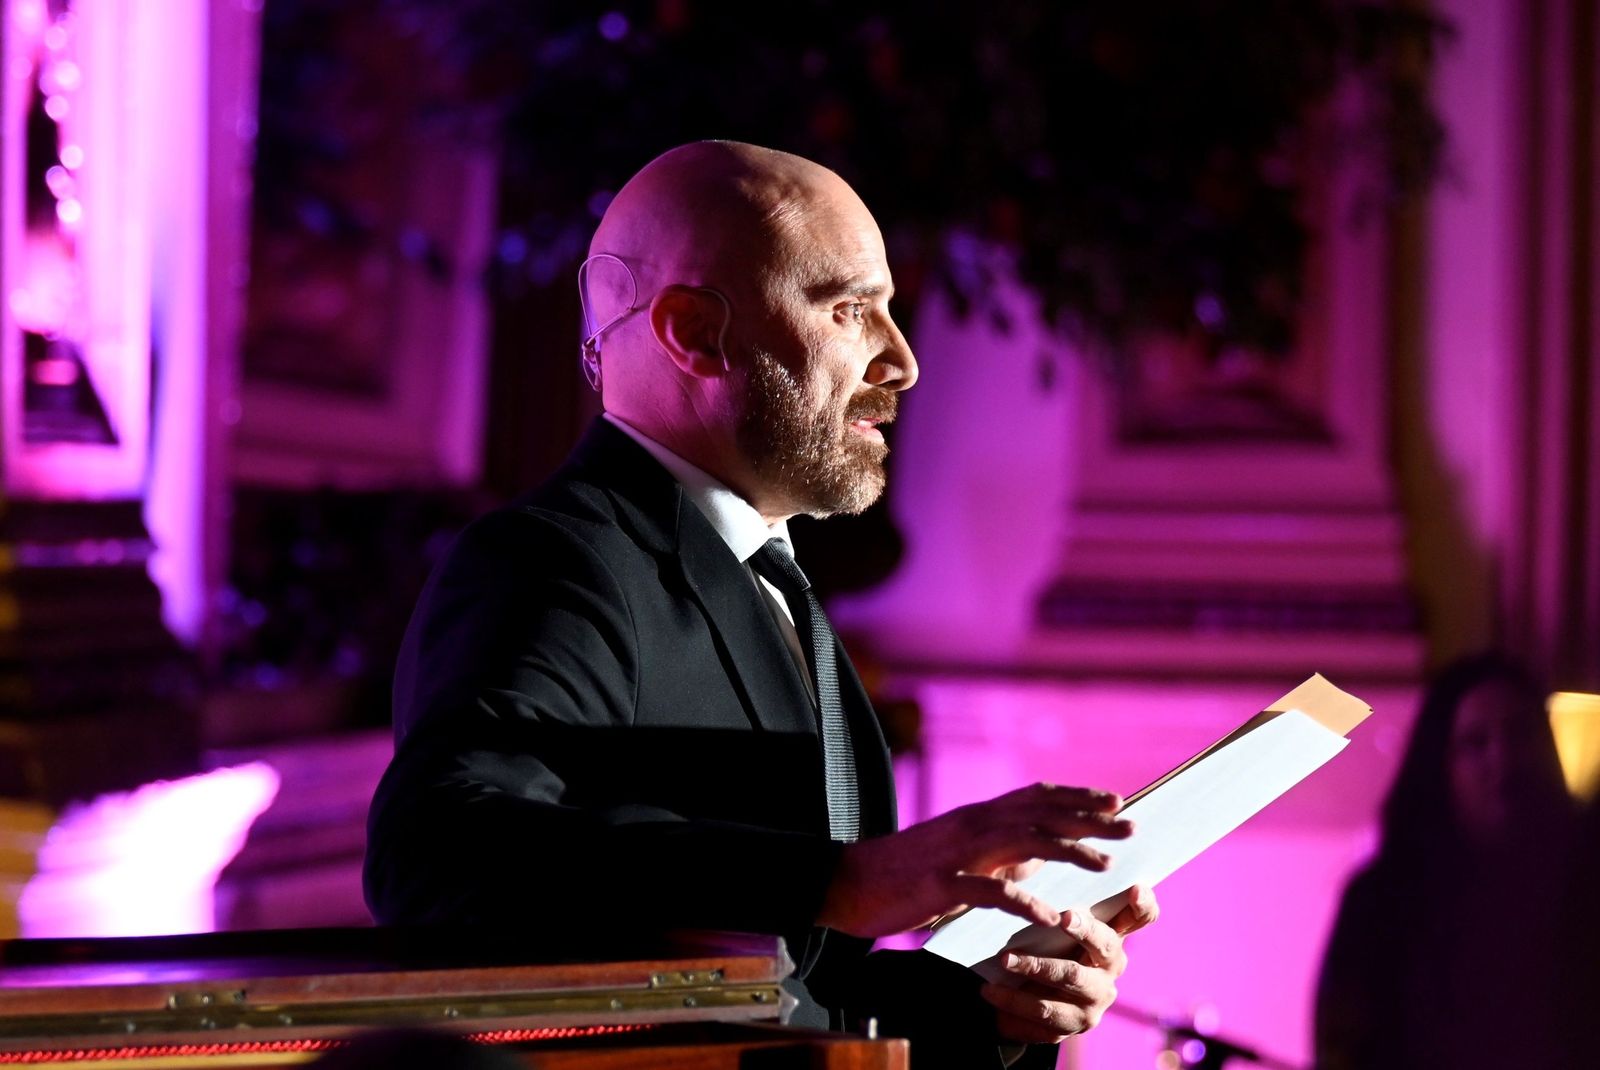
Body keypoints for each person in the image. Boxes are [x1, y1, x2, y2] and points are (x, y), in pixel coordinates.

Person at [364, 141, 1157, 1068]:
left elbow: (790, 981)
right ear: (695, 333)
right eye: (850, 310)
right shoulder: (551, 560)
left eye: (890, 314)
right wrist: (844, 880)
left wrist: (1001, 1004)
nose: (900, 362)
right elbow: (439, 853)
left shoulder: (763, 573)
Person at [1314, 653, 1575, 1070]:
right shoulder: (1382, 907)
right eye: (1476, 743)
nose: (1503, 761)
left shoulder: (1583, 890)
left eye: (1521, 735)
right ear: (1441, 765)